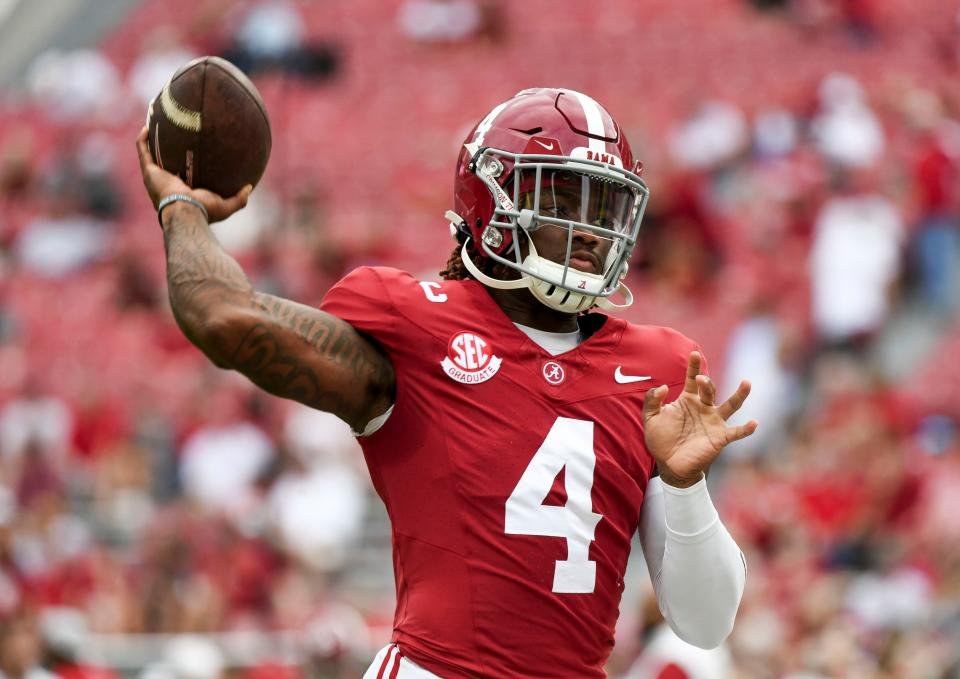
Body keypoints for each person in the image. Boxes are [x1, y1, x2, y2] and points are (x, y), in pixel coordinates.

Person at [135, 87, 756, 679]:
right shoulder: (418, 322)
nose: (590, 232)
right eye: (561, 202)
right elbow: (223, 318)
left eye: (603, 208)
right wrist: (181, 207)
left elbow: (706, 624)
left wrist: (684, 484)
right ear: (492, 205)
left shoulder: (656, 368)